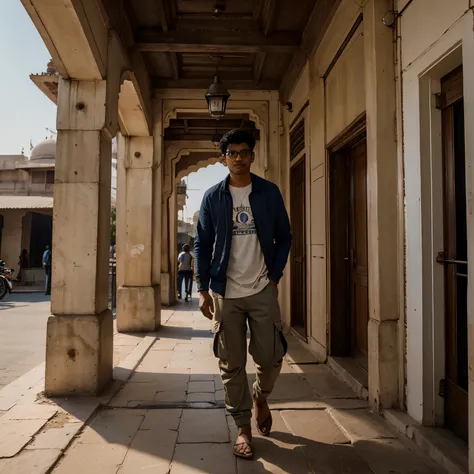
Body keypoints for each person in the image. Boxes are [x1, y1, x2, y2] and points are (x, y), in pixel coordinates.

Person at [194, 129, 292, 459]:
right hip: (225, 293)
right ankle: (242, 427)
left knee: (271, 356)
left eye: (244, 152)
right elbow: (202, 243)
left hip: (263, 289)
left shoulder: (268, 192)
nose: (238, 157)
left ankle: (260, 396)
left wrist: (274, 277)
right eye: (232, 152)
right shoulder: (212, 197)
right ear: (224, 158)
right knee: (231, 363)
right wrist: (203, 289)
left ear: (252, 156)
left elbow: (285, 237)